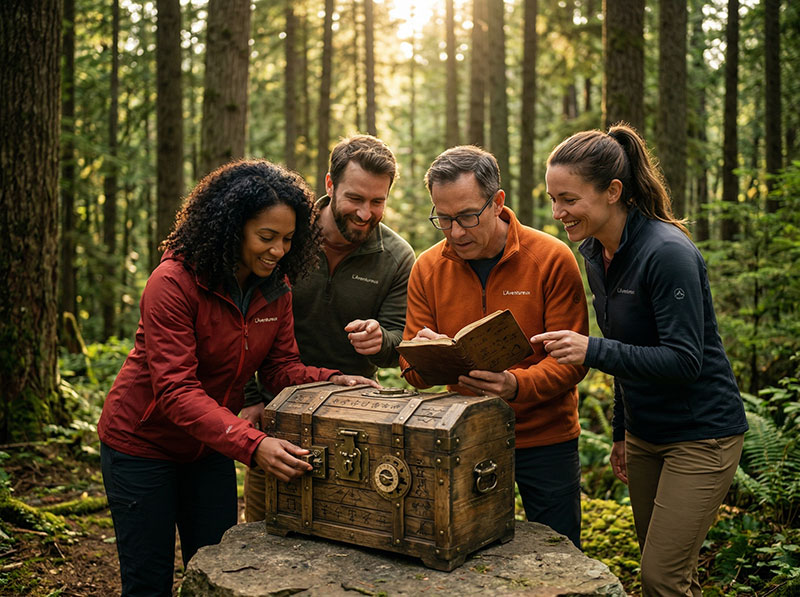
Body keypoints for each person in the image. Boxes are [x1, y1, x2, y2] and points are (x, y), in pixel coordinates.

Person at [97, 159, 376, 596]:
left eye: (287, 239)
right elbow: (175, 390)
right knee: (148, 581)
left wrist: (332, 379)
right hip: (142, 446)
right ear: (231, 228)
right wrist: (254, 443)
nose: (278, 250)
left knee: (216, 571)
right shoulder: (173, 283)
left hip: (209, 447)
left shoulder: (274, 286)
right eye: (266, 237)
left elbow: (281, 368)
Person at [533, 123, 748, 595]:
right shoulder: (594, 252)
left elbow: (684, 360)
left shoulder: (667, 253)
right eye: (552, 198)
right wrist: (621, 432)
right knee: (667, 571)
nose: (557, 212)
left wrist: (591, 348)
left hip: (702, 435)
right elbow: (627, 351)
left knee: (661, 577)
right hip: (646, 434)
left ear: (613, 191)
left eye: (568, 199)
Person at [400, 145, 589, 548]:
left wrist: (515, 386)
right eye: (444, 218)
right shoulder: (428, 268)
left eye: (467, 216)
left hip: (546, 440)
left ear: (497, 202)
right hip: (463, 436)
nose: (456, 232)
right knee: (464, 546)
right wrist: (425, 353)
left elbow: (572, 363)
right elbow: (412, 373)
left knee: (559, 550)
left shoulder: (552, 258)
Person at [240, 134, 415, 522]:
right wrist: (249, 396)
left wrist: (380, 340)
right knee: (264, 528)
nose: (366, 213)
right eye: (355, 198)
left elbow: (398, 342)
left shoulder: (398, 257)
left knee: (345, 526)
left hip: (352, 421)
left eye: (377, 201)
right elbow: (242, 324)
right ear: (330, 185)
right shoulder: (286, 237)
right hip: (275, 410)